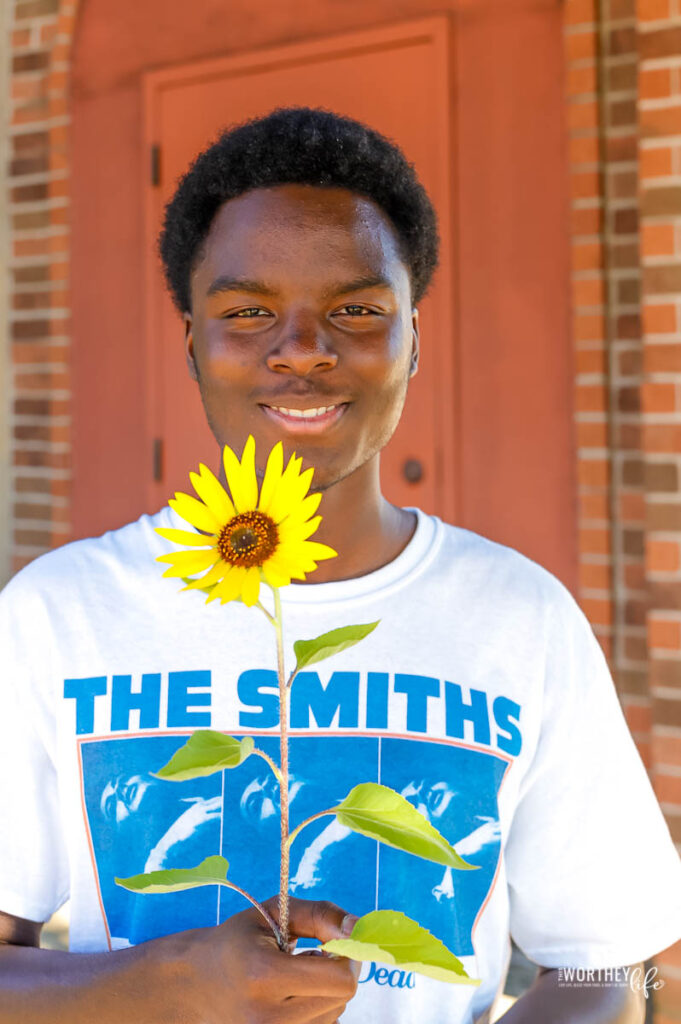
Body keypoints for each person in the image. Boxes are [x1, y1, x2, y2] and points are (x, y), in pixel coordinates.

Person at [0, 106, 679, 1024]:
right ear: (194, 345)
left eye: (358, 310)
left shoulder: (520, 617)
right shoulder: (58, 614)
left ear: (412, 340)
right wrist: (172, 983)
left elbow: (623, 970)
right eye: (247, 313)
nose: (303, 350)